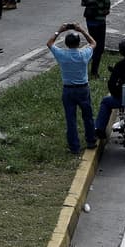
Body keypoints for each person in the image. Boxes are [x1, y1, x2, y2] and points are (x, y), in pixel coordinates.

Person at [48, 23, 99, 154]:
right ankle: (91, 141)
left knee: (70, 119)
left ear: (66, 43)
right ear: (78, 43)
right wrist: (82, 30)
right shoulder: (84, 54)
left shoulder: (62, 55)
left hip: (68, 90)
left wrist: (59, 30)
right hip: (83, 89)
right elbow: (93, 43)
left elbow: (49, 43)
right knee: (87, 116)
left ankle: (74, 147)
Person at [83, 0, 113, 79]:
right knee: (99, 47)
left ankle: (85, 66)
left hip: (89, 21)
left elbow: (83, 2)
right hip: (100, 22)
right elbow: (106, 10)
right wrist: (100, 10)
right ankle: (94, 72)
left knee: (91, 44)